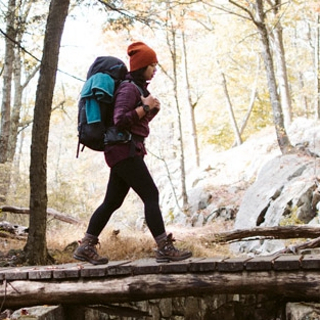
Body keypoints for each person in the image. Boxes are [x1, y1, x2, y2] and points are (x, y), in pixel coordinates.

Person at [73, 41, 192, 265]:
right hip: (123, 150)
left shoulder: (138, 90)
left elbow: (135, 124)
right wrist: (145, 107)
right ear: (142, 66)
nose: (155, 69)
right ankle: (164, 247)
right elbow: (119, 121)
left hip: (126, 150)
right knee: (151, 195)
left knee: (112, 202)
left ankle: (86, 246)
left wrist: (150, 110)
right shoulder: (129, 88)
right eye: (152, 64)